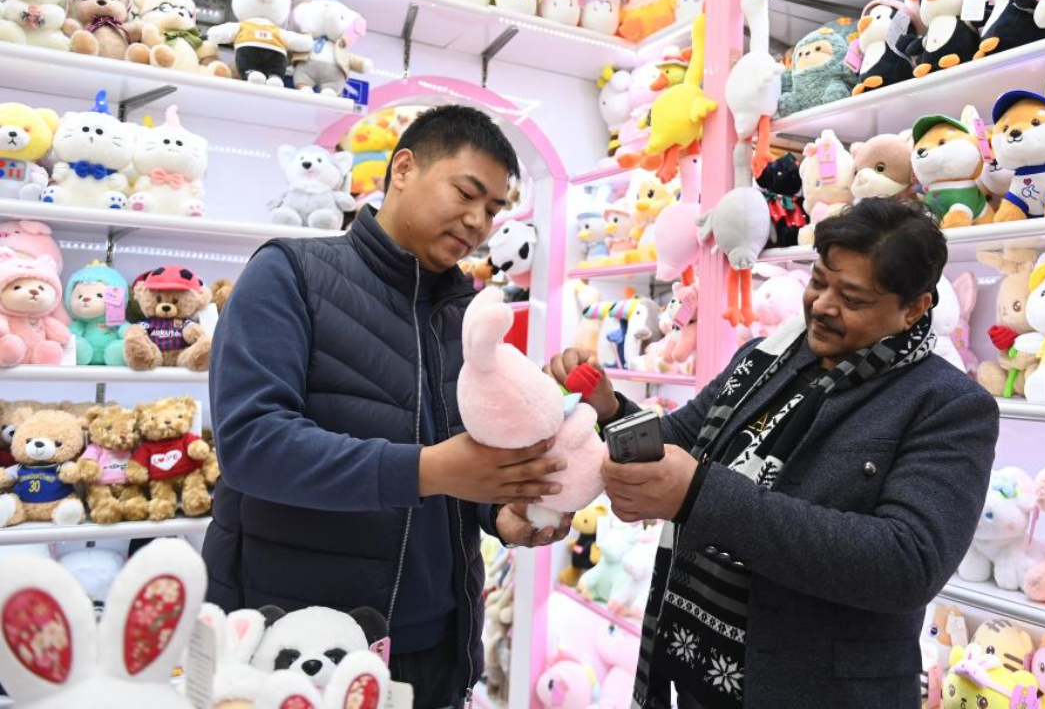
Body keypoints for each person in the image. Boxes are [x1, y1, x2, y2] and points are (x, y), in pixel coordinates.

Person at [549, 198, 1000, 707]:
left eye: (852, 298)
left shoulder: (948, 404)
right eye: (819, 281)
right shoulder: (767, 358)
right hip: (693, 668)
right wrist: (609, 408)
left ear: (915, 307)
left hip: (811, 690)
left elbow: (906, 565)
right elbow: (681, 438)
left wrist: (700, 496)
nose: (824, 305)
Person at [203, 105, 570, 709]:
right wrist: (428, 469)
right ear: (403, 168)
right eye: (467, 193)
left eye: (495, 209)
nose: (479, 222)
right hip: (297, 649)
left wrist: (497, 513)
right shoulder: (289, 274)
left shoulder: (465, 314)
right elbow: (251, 443)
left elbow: (460, 458)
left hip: (435, 646)